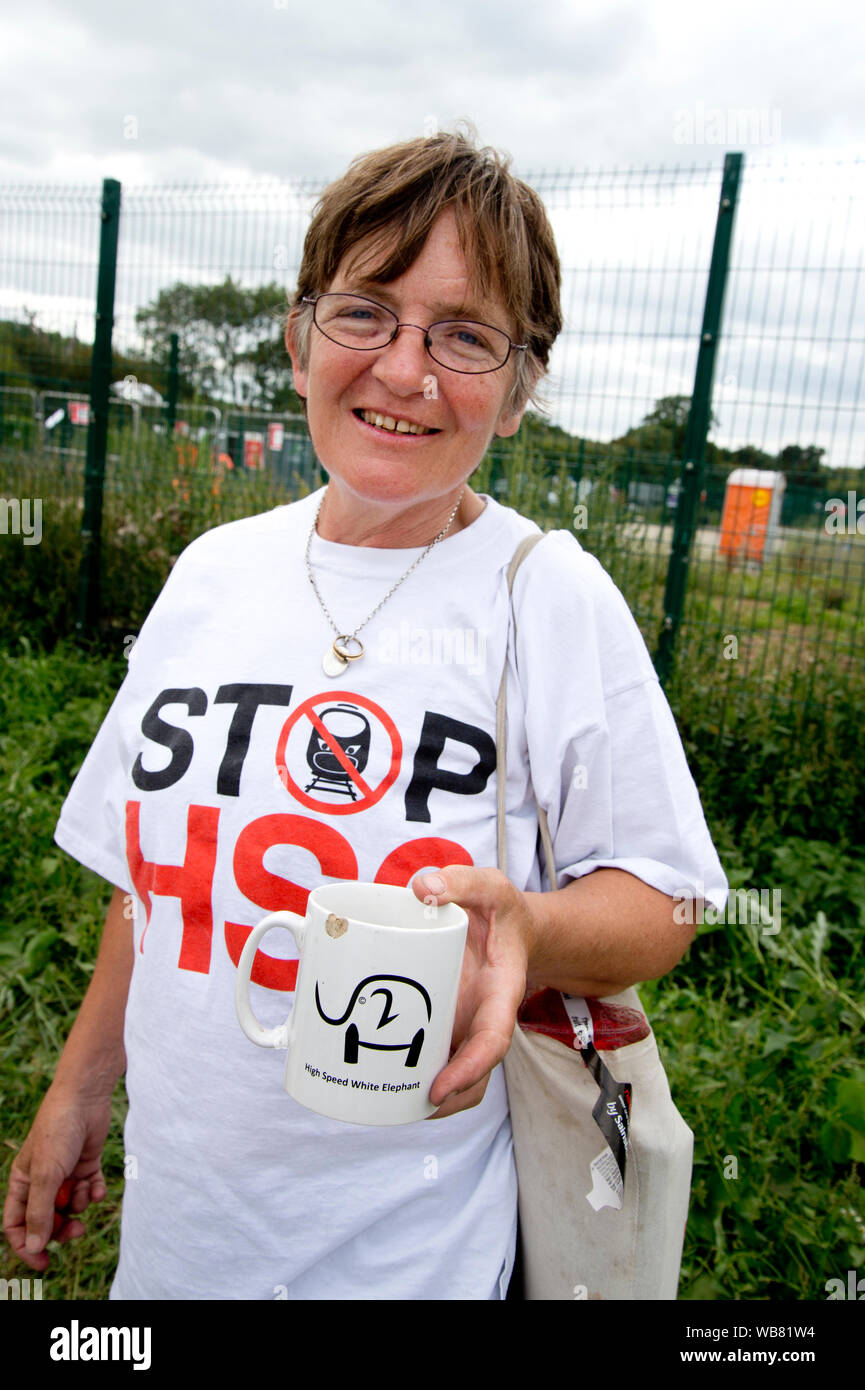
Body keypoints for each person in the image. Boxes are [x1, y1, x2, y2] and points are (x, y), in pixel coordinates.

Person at [3, 131, 727, 1300]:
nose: (404, 370)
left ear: (522, 383)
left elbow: (666, 893)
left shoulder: (543, 593)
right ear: (299, 340)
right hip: (181, 1250)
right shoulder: (211, 574)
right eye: (366, 313)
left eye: (465, 334)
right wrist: (80, 1087)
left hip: (411, 1259)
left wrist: (530, 928)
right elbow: (154, 883)